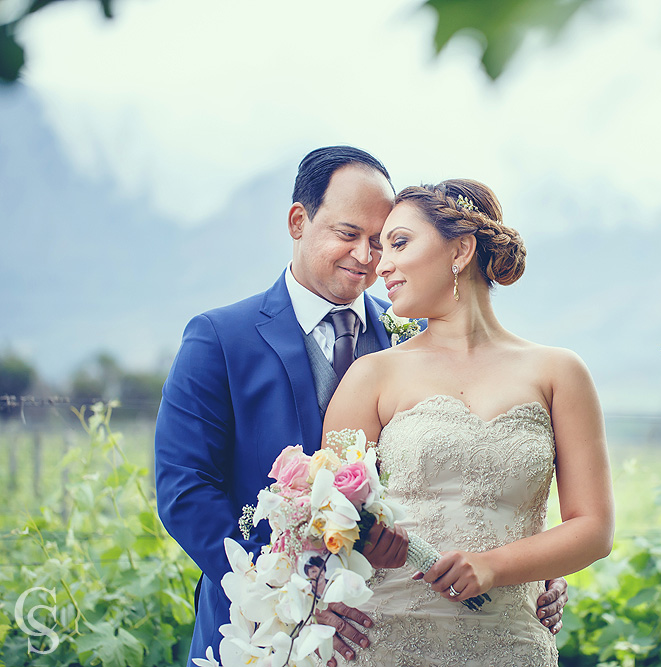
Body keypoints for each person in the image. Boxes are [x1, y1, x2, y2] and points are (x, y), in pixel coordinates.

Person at [154, 147, 568, 667]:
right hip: (257, 630)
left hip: (387, 630)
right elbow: (184, 490)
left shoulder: (418, 334)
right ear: (298, 221)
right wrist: (294, 592)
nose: (368, 257)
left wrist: (532, 568)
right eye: (348, 234)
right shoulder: (220, 338)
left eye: (380, 240)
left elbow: (466, 478)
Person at [322, 179, 615, 666]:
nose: (380, 264)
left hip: (510, 644)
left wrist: (495, 566)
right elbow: (326, 516)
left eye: (399, 243)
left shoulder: (559, 372)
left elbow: (594, 528)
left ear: (460, 250)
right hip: (384, 640)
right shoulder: (370, 376)